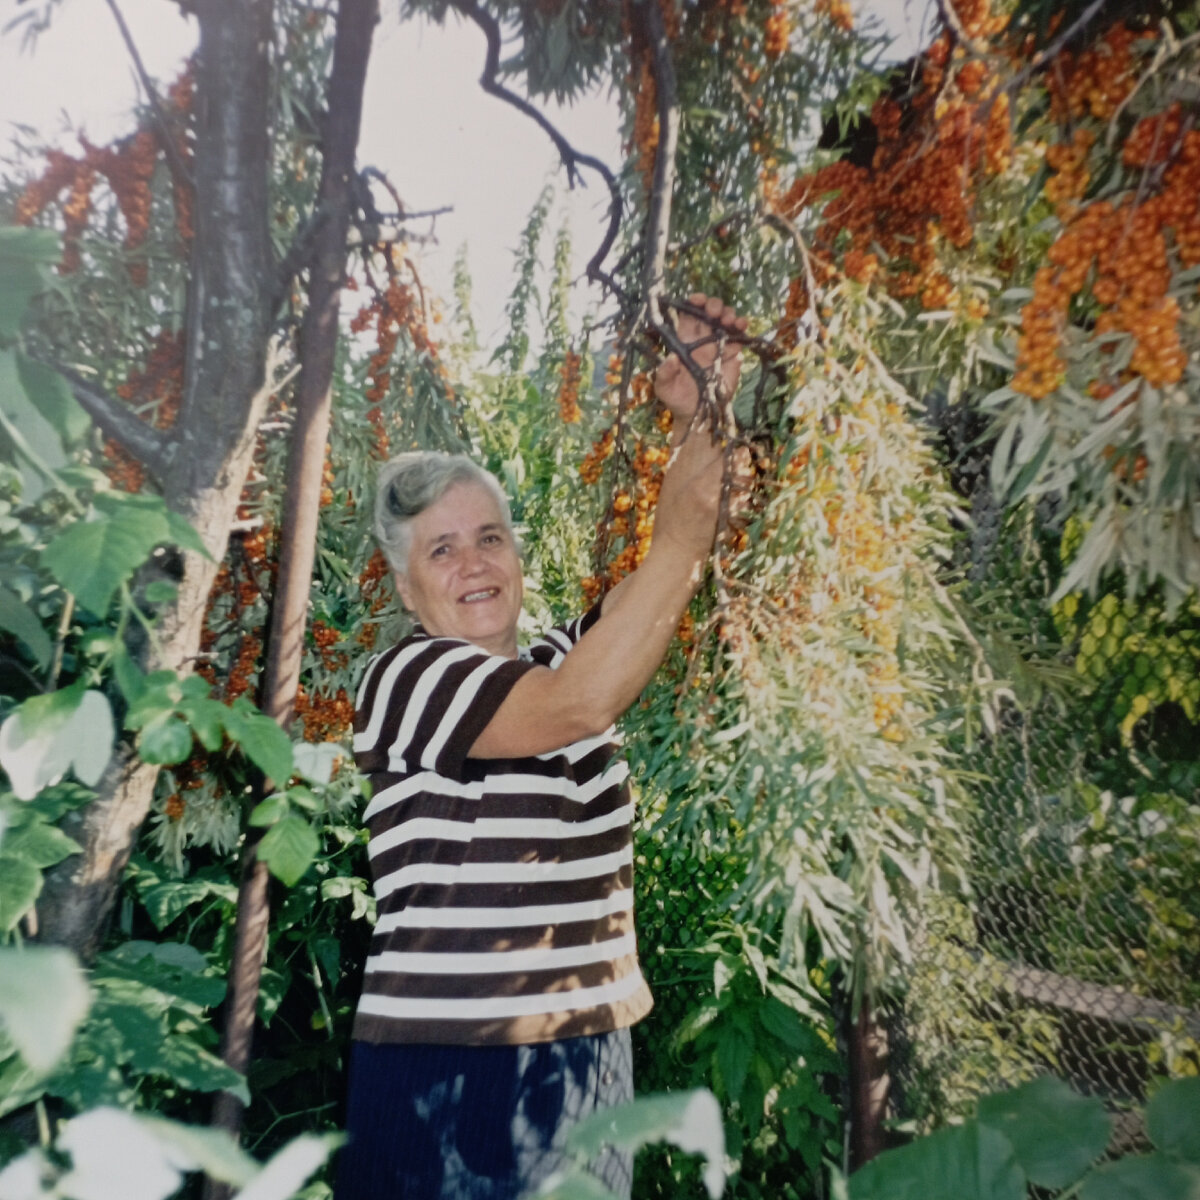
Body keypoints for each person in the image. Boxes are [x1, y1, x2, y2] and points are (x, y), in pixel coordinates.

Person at [335, 295, 748, 1200]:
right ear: (408, 589)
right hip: (452, 1075)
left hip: (592, 1060)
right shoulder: (406, 680)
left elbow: (687, 546)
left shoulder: (564, 653)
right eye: (441, 551)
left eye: (489, 537)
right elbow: (579, 703)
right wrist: (678, 531)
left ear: (518, 554)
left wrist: (713, 402)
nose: (474, 563)